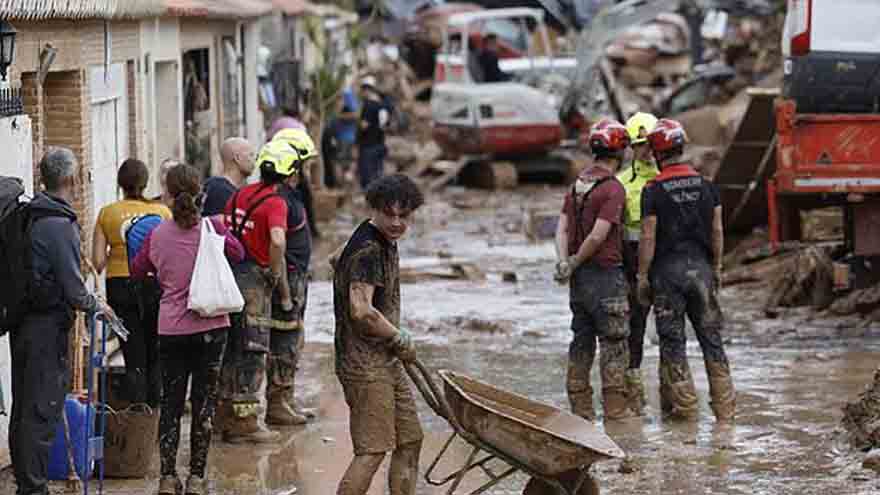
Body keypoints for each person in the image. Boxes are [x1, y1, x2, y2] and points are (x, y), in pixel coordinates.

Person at [131, 164, 245, 495]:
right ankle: (196, 478)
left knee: (171, 403)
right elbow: (239, 254)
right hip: (212, 329)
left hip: (171, 330)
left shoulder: (156, 234)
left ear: (167, 193)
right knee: (204, 403)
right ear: (200, 194)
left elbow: (138, 270)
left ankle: (168, 477)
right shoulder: (214, 228)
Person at [9, 147, 114, 495]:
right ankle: (34, 489)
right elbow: (72, 288)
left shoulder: (32, 215)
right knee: (41, 411)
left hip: (24, 324)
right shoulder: (58, 224)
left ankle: (29, 484)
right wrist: (97, 305)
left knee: (25, 407)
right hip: (45, 329)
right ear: (70, 179)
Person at [637, 118, 735, 422]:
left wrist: (642, 276)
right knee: (712, 339)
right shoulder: (707, 186)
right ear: (681, 147)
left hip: (667, 276)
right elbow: (717, 231)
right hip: (702, 271)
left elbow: (648, 235)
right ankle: (725, 413)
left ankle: (687, 416)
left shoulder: (653, 190)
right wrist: (716, 267)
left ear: (656, 153)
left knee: (673, 342)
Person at [334, 174, 425, 495]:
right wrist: (397, 336)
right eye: (390, 214)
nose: (397, 222)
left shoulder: (380, 240)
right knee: (372, 450)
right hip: (364, 365)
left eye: (404, 215)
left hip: (384, 359)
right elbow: (360, 310)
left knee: (410, 438)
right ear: (374, 209)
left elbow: (336, 258)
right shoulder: (369, 250)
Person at [218, 140, 300, 444]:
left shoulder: (239, 194)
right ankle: (246, 422)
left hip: (232, 275)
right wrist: (275, 273)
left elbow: (224, 229)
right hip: (255, 282)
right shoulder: (275, 203)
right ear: (288, 175)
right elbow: (277, 240)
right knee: (253, 350)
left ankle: (222, 417)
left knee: (230, 348)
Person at [555, 119, 634, 422]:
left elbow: (562, 227)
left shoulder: (577, 184)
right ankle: (616, 417)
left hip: (580, 282)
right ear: (621, 151)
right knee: (614, 345)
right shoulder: (613, 188)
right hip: (605, 277)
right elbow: (599, 235)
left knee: (581, 340)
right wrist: (574, 262)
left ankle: (581, 417)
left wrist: (565, 262)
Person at [93, 158, 172, 407]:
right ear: (146, 183)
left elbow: (97, 262)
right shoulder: (162, 212)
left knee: (132, 349)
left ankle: (137, 411)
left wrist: (118, 250)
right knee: (155, 348)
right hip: (153, 284)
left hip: (120, 285)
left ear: (120, 184)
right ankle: (156, 411)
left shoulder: (108, 213)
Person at [263, 128, 318, 425]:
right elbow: (277, 245)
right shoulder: (280, 199)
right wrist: (283, 289)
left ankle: (286, 398)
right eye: (303, 165)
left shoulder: (289, 195)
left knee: (293, 338)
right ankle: (278, 402)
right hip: (289, 276)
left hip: (297, 275)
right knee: (285, 339)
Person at [616, 112, 659, 415]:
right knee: (635, 328)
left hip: (666, 260)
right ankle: (634, 394)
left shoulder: (667, 178)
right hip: (631, 262)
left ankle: (675, 398)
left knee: (671, 331)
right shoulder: (619, 183)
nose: (647, 150)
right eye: (640, 144)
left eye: (651, 143)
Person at [202, 138, 256, 217]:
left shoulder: (215, 185)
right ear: (237, 158)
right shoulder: (219, 191)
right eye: (251, 155)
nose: (255, 159)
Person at [356, 75, 390, 190]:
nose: (361, 93)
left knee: (367, 176)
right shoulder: (383, 104)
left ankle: (369, 200)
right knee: (378, 174)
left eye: (362, 90)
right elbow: (386, 125)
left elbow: (364, 125)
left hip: (368, 146)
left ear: (367, 90)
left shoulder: (368, 105)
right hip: (380, 143)